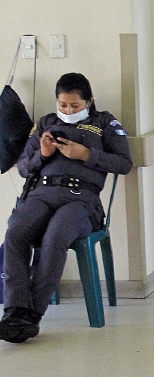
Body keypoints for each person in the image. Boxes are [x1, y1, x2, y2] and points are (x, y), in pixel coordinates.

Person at [0, 72, 132, 343]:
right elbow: (24, 168)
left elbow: (124, 164)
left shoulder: (104, 122)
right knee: (15, 233)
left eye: (75, 106)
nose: (68, 111)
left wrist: (86, 154)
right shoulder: (46, 123)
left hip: (81, 199)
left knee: (55, 237)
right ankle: (14, 310)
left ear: (89, 101)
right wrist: (43, 154)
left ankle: (32, 315)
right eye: (63, 105)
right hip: (42, 194)